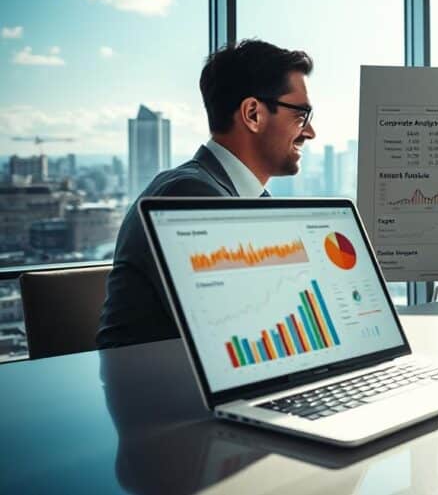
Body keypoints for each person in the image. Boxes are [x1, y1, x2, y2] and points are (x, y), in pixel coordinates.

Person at [96, 40, 316, 348]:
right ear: (253, 114)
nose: (310, 132)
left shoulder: (242, 199)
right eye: (301, 115)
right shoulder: (189, 196)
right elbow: (248, 334)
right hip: (161, 390)